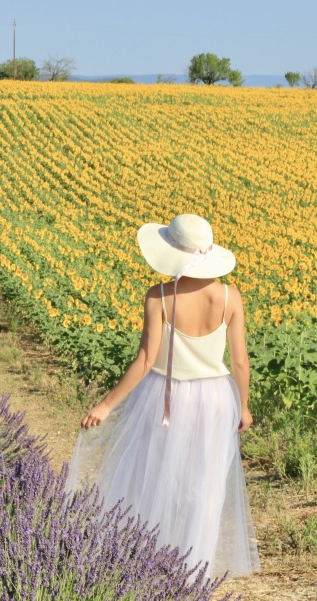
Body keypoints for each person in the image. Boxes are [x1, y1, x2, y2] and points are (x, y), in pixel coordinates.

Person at [65, 213, 260, 579]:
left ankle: (151, 563)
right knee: (205, 482)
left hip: (167, 397)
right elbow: (240, 362)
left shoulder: (159, 297)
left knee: (156, 474)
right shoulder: (230, 297)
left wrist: (106, 404)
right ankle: (192, 569)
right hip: (217, 398)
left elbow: (145, 359)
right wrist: (244, 406)